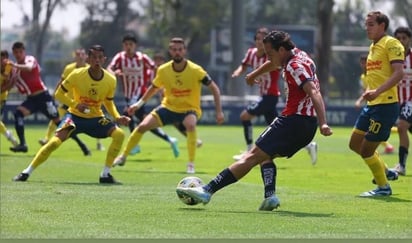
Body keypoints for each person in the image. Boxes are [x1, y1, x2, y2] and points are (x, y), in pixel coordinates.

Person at [177, 30, 333, 211]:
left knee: (251, 155)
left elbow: (313, 91)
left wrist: (324, 122)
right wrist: (254, 74)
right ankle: (270, 197)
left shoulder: (294, 66)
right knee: (265, 156)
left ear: (281, 50)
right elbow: (273, 64)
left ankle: (207, 190)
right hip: (307, 127)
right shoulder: (299, 55)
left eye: (270, 53)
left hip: (293, 121)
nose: (268, 57)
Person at [13, 45, 130, 183]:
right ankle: (26, 172)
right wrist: (76, 105)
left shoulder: (111, 80)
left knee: (119, 135)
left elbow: (108, 102)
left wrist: (117, 117)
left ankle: (105, 174)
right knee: (54, 143)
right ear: (88, 58)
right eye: (93, 57)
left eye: (100, 58)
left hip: (96, 119)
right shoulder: (76, 74)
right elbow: (58, 94)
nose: (96, 60)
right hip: (74, 117)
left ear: (104, 59)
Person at [112, 37, 224, 174]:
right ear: (170, 51)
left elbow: (215, 88)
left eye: (180, 50)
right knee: (142, 126)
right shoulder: (163, 70)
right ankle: (123, 156)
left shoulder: (196, 70)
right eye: (174, 50)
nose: (177, 52)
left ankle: (190, 165)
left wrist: (219, 112)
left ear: (184, 51)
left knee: (190, 124)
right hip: (168, 107)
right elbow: (153, 88)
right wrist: (138, 104)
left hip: (190, 109)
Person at [231, 27, 318, 165]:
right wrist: (239, 73)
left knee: (245, 117)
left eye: (262, 39)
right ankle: (309, 146)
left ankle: (249, 151)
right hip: (263, 96)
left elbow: (274, 65)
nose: (260, 42)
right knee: (275, 133)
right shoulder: (251, 53)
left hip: (270, 96)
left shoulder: (276, 56)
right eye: (258, 39)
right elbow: (243, 66)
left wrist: (254, 74)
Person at [349, 11, 404, 197]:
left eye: (371, 24)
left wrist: (377, 91)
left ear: (382, 25)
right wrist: (369, 93)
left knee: (366, 150)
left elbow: (399, 73)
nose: (367, 27)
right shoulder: (373, 47)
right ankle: (386, 170)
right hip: (372, 106)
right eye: (367, 24)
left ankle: (383, 187)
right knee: (354, 143)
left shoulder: (391, 43)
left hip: (386, 105)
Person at [107, 34, 179, 157]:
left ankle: (134, 146)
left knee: (127, 114)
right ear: (123, 46)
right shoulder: (119, 57)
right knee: (144, 123)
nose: (128, 47)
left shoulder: (142, 57)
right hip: (128, 95)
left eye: (131, 44)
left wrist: (162, 84)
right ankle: (169, 139)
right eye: (126, 45)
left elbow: (155, 68)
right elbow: (109, 68)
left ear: (135, 46)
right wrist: (114, 72)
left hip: (140, 93)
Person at [38, 48, 98, 156]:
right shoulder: (69, 68)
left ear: (86, 57)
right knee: (55, 119)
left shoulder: (90, 69)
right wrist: (55, 94)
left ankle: (98, 142)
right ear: (74, 56)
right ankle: (46, 139)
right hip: (69, 102)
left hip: (83, 103)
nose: (80, 56)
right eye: (77, 54)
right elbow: (62, 82)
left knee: (94, 121)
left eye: (82, 54)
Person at [8, 41, 61, 153]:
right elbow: (18, 85)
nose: (18, 54)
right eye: (16, 52)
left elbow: (29, 68)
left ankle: (81, 144)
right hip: (31, 99)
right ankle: (23, 144)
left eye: (20, 52)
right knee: (18, 114)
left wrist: (14, 65)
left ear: (24, 52)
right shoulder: (15, 70)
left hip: (43, 97)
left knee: (58, 123)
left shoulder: (29, 59)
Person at [151, 51, 203, 148]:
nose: (157, 63)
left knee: (181, 122)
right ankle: (191, 139)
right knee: (175, 123)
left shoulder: (167, 70)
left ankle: (192, 139)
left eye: (159, 61)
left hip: (175, 101)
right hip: (165, 101)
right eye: (156, 61)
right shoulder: (154, 72)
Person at [355, 54, 395, 154]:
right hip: (370, 105)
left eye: (366, 62)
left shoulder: (374, 73)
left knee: (373, 130)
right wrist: (361, 100)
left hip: (380, 105)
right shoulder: (363, 77)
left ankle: (384, 147)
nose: (364, 65)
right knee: (371, 130)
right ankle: (386, 146)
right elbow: (366, 91)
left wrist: (359, 101)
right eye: (362, 62)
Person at [391, 26, 412, 176]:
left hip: (410, 100)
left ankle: (401, 166)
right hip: (397, 101)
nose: (401, 41)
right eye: (398, 38)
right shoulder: (391, 58)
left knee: (402, 127)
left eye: (404, 38)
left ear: (409, 40)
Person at [0, 50, 18, 147]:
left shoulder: (10, 68)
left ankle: (8, 135)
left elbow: (11, 83)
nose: (2, 62)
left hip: (1, 99)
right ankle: (8, 135)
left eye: (4, 59)